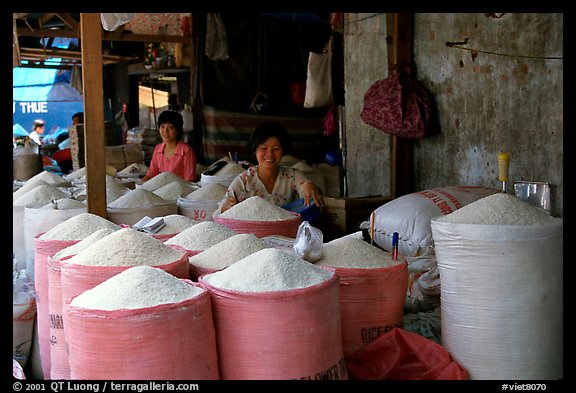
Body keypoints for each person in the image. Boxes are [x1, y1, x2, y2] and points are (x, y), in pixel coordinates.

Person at [218, 121, 324, 213]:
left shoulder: (293, 176)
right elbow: (219, 212)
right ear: (255, 150)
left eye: (276, 149)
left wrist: (309, 185)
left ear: (283, 151)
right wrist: (225, 208)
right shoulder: (244, 181)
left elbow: (307, 192)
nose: (270, 154)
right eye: (264, 148)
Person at [141, 110, 198, 182]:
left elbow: (190, 180)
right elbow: (151, 174)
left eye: (170, 127)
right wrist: (139, 185)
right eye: (162, 126)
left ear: (178, 131)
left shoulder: (186, 151)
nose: (165, 131)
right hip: (161, 189)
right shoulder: (158, 149)